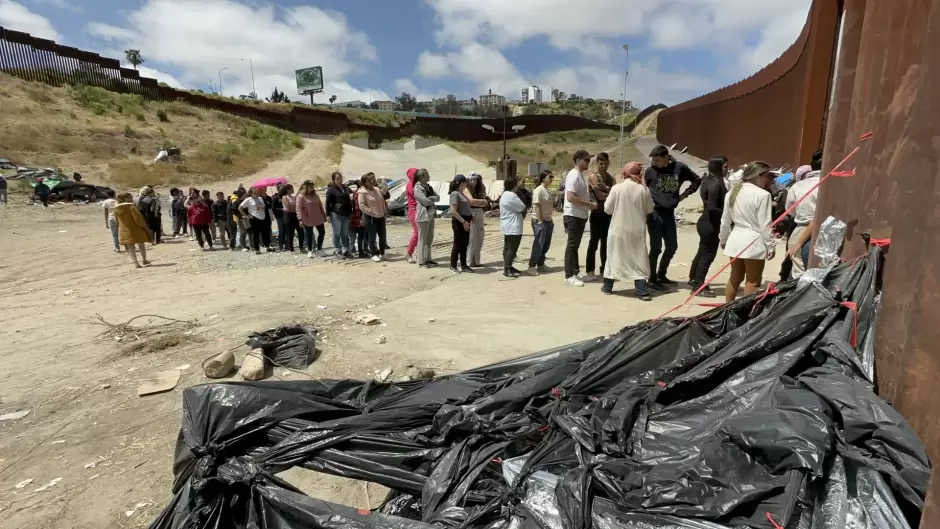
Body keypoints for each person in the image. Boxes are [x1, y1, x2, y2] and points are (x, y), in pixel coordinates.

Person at [645, 145, 702, 289]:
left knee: (671, 246)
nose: (654, 163)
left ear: (666, 158)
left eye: (657, 160)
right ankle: (651, 279)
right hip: (654, 214)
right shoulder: (650, 171)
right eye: (653, 160)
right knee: (656, 248)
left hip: (669, 213)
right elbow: (643, 190)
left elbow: (696, 180)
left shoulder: (679, 168)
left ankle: (661, 275)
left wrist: (684, 195)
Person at [719, 161, 776, 302]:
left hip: (736, 238)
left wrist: (723, 239)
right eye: (766, 176)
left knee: (735, 278)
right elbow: (765, 225)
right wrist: (771, 245)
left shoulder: (732, 193)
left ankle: (727, 309)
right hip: (754, 241)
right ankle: (747, 314)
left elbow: (725, 221)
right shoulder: (763, 195)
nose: (768, 180)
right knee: (753, 281)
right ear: (757, 175)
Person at [601, 162, 655, 300]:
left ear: (624, 173)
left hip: (618, 229)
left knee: (614, 257)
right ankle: (642, 290)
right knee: (639, 259)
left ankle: (607, 287)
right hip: (636, 231)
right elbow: (650, 209)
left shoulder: (616, 188)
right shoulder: (644, 190)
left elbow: (607, 209)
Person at [688, 156, 729, 297]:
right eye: (725, 166)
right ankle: (698, 286)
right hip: (710, 223)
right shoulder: (716, 183)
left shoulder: (708, 180)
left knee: (702, 252)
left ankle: (693, 279)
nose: (727, 169)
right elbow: (712, 208)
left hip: (705, 222)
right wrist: (727, 214)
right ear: (718, 166)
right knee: (707, 255)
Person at [562, 150, 597, 287]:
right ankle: (568, 275)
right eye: (586, 160)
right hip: (573, 215)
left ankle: (575, 272)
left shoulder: (580, 175)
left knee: (575, 246)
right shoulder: (573, 175)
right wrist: (588, 204)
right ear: (578, 160)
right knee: (572, 246)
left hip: (580, 215)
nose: (588, 162)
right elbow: (570, 197)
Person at [785, 159, 822, 278]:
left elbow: (790, 211)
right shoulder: (832, 185)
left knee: (798, 273)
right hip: (826, 231)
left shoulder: (798, 185)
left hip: (800, 229)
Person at [585, 152, 615, 281]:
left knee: (606, 244)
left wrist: (606, 189)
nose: (603, 166)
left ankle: (604, 269)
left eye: (605, 163)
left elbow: (615, 193)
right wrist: (609, 191)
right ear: (597, 163)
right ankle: (590, 270)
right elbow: (600, 196)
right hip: (597, 214)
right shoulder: (593, 176)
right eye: (601, 163)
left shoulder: (610, 177)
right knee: (594, 243)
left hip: (608, 214)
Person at [112, 192, 152, 268]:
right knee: (141, 245)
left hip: (124, 229)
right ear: (124, 199)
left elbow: (116, 220)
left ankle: (136, 263)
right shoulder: (131, 207)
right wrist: (144, 226)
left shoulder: (116, 208)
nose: (132, 199)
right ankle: (144, 260)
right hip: (136, 228)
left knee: (131, 248)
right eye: (129, 197)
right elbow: (138, 219)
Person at [526, 170, 554, 276]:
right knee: (538, 244)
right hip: (540, 221)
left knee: (546, 244)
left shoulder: (547, 190)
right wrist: (540, 220)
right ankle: (531, 266)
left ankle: (541, 264)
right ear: (543, 178)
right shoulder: (539, 190)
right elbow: (537, 206)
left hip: (548, 220)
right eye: (549, 176)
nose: (551, 179)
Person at [499, 176, 527, 278]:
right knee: (512, 249)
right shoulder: (511, 195)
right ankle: (507, 269)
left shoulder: (504, 194)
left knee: (507, 247)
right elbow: (523, 207)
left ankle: (508, 266)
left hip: (507, 225)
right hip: (513, 226)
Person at [358, 173, 389, 262]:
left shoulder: (377, 189)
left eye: (372, 179)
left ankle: (382, 253)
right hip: (370, 218)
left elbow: (382, 201)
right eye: (369, 180)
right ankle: (373, 254)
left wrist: (383, 211)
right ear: (365, 183)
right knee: (372, 237)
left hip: (381, 216)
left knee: (382, 237)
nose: (372, 181)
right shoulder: (362, 192)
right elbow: (362, 206)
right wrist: (371, 212)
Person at [413, 168, 440, 268]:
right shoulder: (417, 188)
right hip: (423, 215)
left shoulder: (429, 187)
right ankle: (421, 261)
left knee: (429, 238)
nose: (429, 176)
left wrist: (432, 198)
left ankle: (428, 259)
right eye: (427, 174)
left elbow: (438, 197)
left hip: (431, 214)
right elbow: (425, 201)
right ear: (422, 176)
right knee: (422, 238)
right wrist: (432, 198)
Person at [449, 174, 474, 274]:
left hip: (466, 221)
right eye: (465, 182)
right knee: (458, 244)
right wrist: (463, 221)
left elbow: (465, 207)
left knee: (465, 244)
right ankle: (453, 265)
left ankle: (464, 265)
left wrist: (471, 216)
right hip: (459, 222)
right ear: (462, 183)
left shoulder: (461, 193)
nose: (467, 184)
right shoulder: (455, 194)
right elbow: (454, 211)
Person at [325, 171, 353, 257]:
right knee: (337, 233)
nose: (340, 180)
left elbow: (349, 200)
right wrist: (328, 215)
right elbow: (327, 203)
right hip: (336, 213)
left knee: (345, 233)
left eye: (340, 178)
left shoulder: (346, 188)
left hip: (346, 213)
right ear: (333, 180)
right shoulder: (331, 190)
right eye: (337, 179)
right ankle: (337, 250)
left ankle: (346, 250)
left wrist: (351, 212)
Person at [297, 180, 328, 258]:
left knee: (322, 233)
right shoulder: (301, 196)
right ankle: (310, 251)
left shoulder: (315, 195)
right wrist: (300, 219)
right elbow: (298, 208)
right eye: (310, 186)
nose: (312, 188)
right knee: (309, 235)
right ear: (306, 186)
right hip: (308, 218)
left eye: (312, 186)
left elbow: (320, 205)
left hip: (318, 217)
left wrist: (324, 215)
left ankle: (319, 249)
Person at [466, 172, 489, 267]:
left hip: (479, 212)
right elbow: (471, 201)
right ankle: (469, 261)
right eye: (471, 179)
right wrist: (483, 202)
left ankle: (476, 260)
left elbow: (482, 199)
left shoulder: (480, 188)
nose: (473, 181)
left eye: (475, 179)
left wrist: (481, 202)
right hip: (471, 213)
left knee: (480, 237)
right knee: (472, 238)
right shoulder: (466, 189)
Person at [240, 187, 270, 254]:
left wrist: (263, 212)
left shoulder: (260, 198)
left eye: (257, 192)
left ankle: (267, 247)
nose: (256, 194)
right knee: (256, 234)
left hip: (262, 217)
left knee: (265, 233)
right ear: (250, 193)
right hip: (254, 218)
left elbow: (264, 207)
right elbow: (240, 208)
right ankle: (257, 250)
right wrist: (247, 216)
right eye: (254, 193)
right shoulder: (248, 199)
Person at [405, 168, 420, 263]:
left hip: (421, 210)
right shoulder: (410, 185)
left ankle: (420, 253)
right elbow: (417, 195)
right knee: (417, 232)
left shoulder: (418, 184)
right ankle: (409, 253)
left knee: (422, 233)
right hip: (414, 210)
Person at [351, 183, 367, 257]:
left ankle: (361, 250)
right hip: (360, 217)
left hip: (356, 216)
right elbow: (359, 207)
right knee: (361, 235)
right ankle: (361, 251)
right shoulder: (360, 193)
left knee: (360, 235)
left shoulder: (355, 192)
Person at [272, 185, 287, 251]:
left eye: (283, 189)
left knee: (287, 230)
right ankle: (281, 245)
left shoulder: (286, 197)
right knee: (281, 231)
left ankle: (287, 245)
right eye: (281, 189)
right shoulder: (276, 198)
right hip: (280, 216)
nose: (283, 190)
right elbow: (273, 208)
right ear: (278, 190)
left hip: (287, 215)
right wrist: (281, 209)